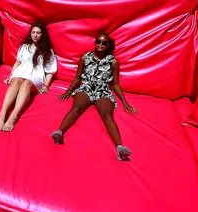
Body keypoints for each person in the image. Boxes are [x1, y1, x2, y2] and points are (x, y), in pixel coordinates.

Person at [53, 33, 137, 161]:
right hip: (86, 88)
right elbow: (77, 78)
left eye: (104, 43)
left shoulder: (113, 62)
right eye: (98, 41)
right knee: (76, 108)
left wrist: (125, 102)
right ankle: (59, 132)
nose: (101, 45)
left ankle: (120, 148)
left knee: (107, 115)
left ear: (108, 45)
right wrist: (68, 91)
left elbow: (115, 84)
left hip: (103, 90)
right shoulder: (85, 57)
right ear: (95, 42)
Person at [0, 22, 57, 132]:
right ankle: (3, 113)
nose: (35, 35)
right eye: (33, 32)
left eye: (38, 33)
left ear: (43, 34)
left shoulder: (48, 51)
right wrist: (11, 76)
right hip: (21, 71)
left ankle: (14, 115)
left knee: (26, 83)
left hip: (36, 76)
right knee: (16, 81)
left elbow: (49, 72)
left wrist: (46, 85)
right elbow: (18, 62)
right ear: (30, 33)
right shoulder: (24, 47)